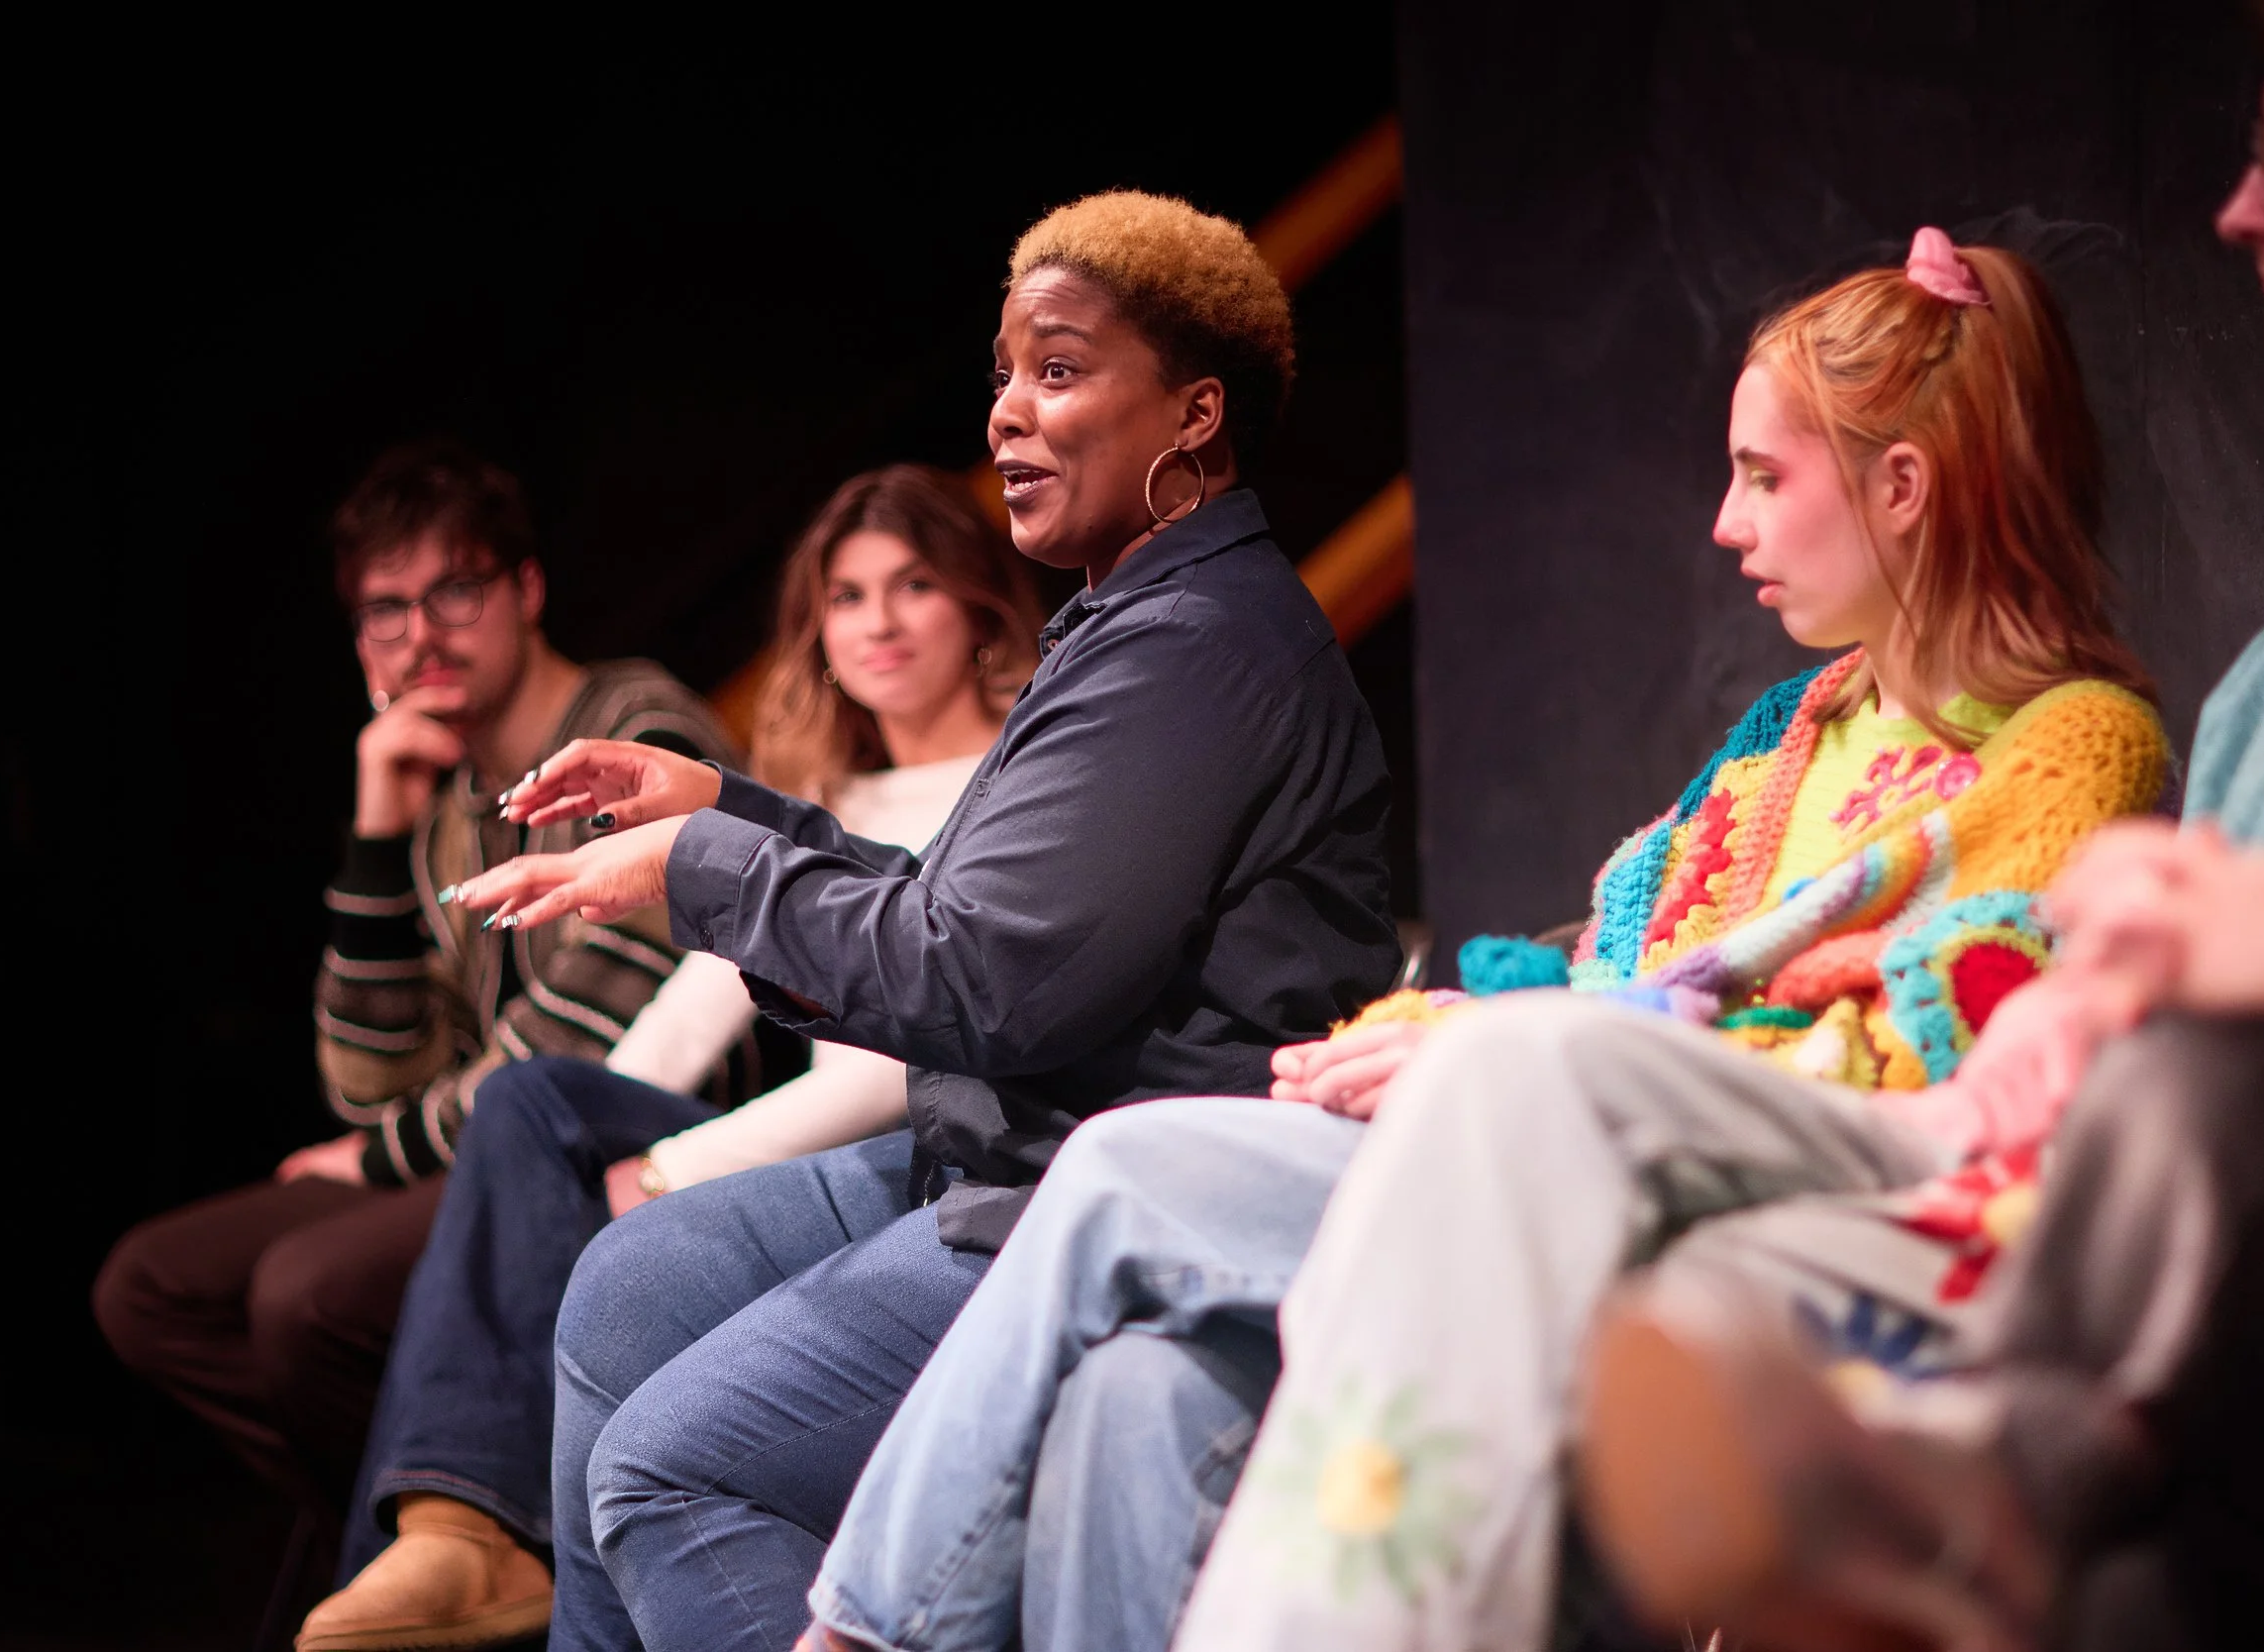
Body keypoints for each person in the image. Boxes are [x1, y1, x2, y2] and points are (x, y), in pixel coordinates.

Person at [805, 232, 2173, 1652]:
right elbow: (1625, 967)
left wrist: (1532, 1045)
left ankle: (850, 1637)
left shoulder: (2075, 745)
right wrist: (1449, 1029)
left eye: (1766, 476)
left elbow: (1919, 1055)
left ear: (1904, 487)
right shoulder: (1793, 730)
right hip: (1555, 1124)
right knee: (1128, 1318)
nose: (1725, 521)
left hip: (1697, 1192)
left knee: (1112, 1186)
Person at [447, 190, 1399, 1652]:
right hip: (983, 1152)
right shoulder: (1126, 622)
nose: (1011, 415)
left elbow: (984, 982)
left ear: (1196, 415)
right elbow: (956, 909)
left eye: (1062, 372)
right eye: (1005, 374)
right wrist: (725, 808)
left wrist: (700, 864)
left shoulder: (1198, 651)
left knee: (672, 1472)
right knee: (627, 1287)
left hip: (1076, 1204)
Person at [1578, 9, 2264, 1649]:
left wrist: (2240, 954)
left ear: (1904, 487)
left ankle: (1986, 1460)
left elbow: (1945, 1006)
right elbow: (1663, 935)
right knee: (1160, 1245)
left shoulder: (2080, 737)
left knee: (2216, 1071)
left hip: (1942, 1164)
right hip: (2022, 1167)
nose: (2240, 208)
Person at [294, 465, 1042, 1652]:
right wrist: (602, 1139)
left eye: (914, 587)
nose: (881, 622)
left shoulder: (1010, 780)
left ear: (980, 612)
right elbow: (693, 1010)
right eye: (848, 597)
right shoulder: (827, 793)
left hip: (890, 1147)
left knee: (515, 1169)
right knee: (531, 1112)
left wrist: (670, 1171)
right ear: (819, 630)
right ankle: (450, 1535)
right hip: (771, 1135)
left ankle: (456, 1542)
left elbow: (892, 1066)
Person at [92, 442, 735, 1535]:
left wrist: (381, 1156)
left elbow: (582, 1038)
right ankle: (446, 1521)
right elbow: (368, 1083)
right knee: (149, 1290)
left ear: (526, 590)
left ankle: (474, 1527)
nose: (422, 636)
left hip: (629, 1145)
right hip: (478, 1149)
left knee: (304, 1298)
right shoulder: (446, 806)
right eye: (385, 611)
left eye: (454, 591)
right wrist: (379, 828)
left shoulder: (637, 730)